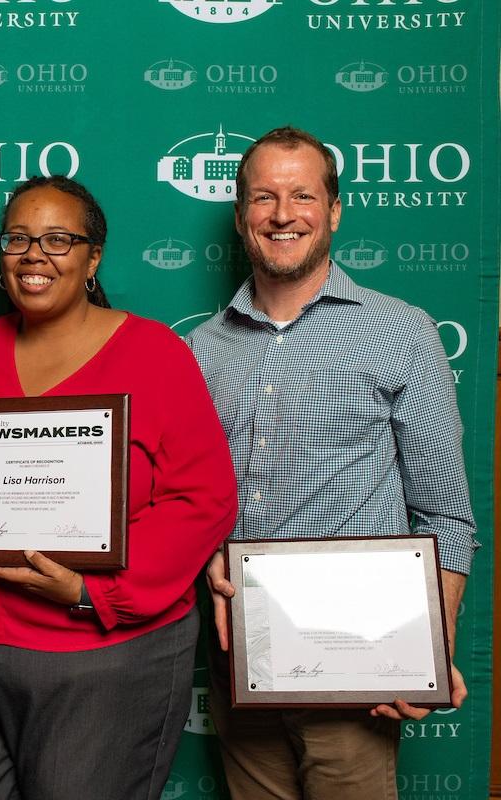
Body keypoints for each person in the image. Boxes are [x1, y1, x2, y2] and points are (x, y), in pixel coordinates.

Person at [0, 175, 238, 799]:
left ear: (93, 258)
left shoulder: (154, 352)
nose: (35, 255)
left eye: (58, 239)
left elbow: (203, 499)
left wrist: (91, 588)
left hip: (98, 658)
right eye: (19, 239)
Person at [186, 126, 477, 799]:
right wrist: (207, 558)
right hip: (243, 663)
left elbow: (446, 512)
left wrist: (427, 653)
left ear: (335, 209)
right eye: (263, 197)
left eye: (302, 196)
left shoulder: (401, 329)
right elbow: (190, 500)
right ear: (240, 215)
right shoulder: (201, 349)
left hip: (360, 663)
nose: (283, 214)